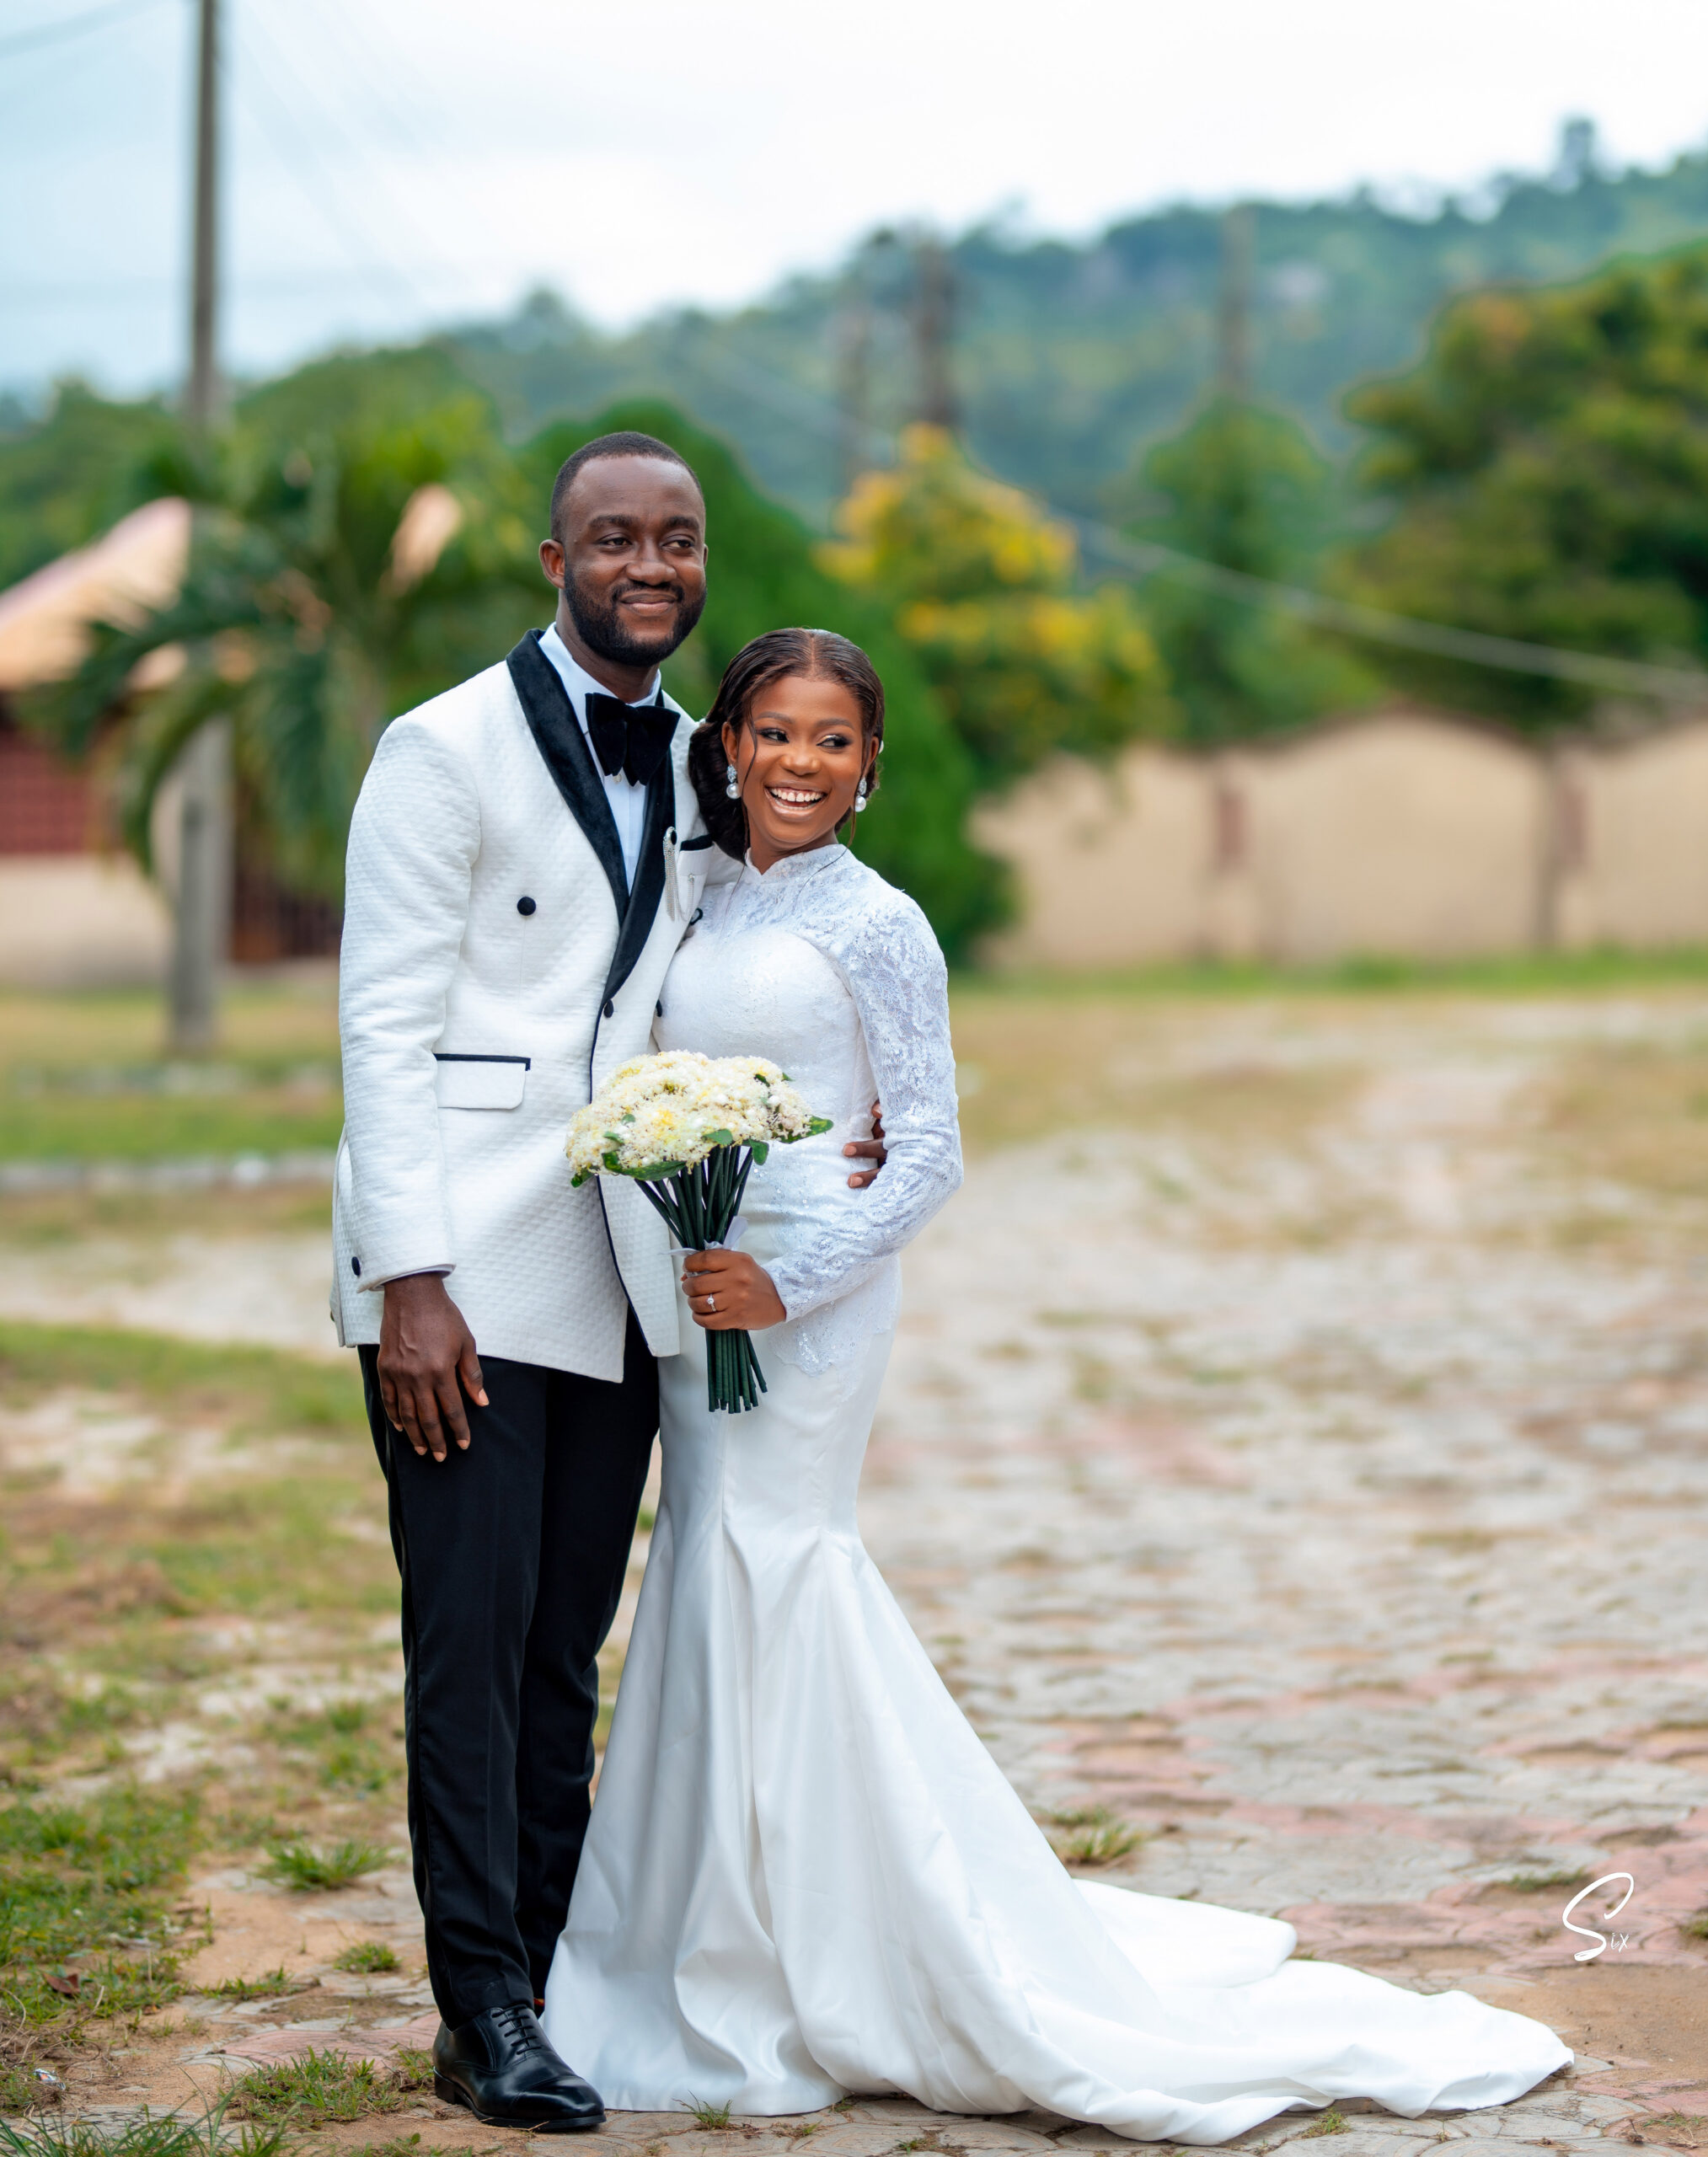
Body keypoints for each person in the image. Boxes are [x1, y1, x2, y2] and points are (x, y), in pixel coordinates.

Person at [539, 628, 1571, 2143]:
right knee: (703, 1565)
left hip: (804, 1305)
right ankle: (695, 1922)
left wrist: (792, 1278)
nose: (800, 764)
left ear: (872, 766)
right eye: (774, 732)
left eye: (835, 741)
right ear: (731, 743)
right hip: (700, 1294)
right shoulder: (704, 893)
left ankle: (826, 1945)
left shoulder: (882, 925)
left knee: (784, 1564)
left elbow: (934, 1148)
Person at [332, 438, 882, 2133]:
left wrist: (850, 1124)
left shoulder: (702, 763)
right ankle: (479, 2004)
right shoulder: (443, 749)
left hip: (624, 1258)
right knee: (471, 1646)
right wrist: (406, 1278)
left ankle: (557, 1966)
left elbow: (768, 944)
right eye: (615, 537)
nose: (650, 563)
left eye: (679, 538)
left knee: (569, 1642)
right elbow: (380, 1018)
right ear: (552, 554)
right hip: (469, 1269)